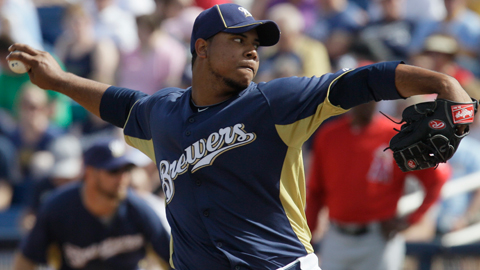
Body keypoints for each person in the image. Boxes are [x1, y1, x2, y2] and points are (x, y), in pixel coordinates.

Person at [6, 3, 474, 269]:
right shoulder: (163, 113)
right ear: (202, 49)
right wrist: (58, 79)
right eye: (239, 40)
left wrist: (443, 84)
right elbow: (118, 103)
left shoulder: (274, 102)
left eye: (256, 42)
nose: (252, 50)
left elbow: (359, 81)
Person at [305, 101, 449, 270]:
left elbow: (437, 177)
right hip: (337, 236)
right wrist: (309, 237)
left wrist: (411, 220)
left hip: (378, 238)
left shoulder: (395, 135)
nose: (365, 103)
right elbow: (316, 192)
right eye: (361, 97)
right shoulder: (329, 135)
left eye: (371, 97)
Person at [12, 138, 171, 270]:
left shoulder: (139, 209)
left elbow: (172, 260)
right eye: (113, 171)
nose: (122, 177)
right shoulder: (58, 208)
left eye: (126, 170)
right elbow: (26, 260)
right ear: (89, 173)